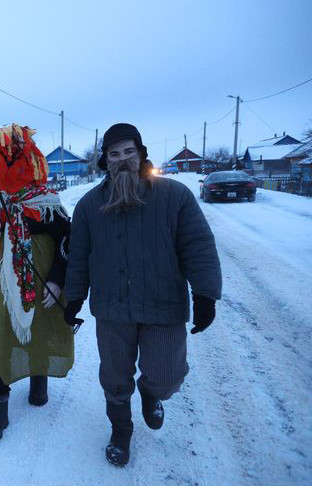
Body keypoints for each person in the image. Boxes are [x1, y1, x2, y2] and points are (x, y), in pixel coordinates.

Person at [64, 123, 222, 467]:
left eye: (128, 152)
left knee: (167, 375)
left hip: (163, 304)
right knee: (115, 378)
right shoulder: (89, 206)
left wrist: (206, 294)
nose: (122, 160)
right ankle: (121, 430)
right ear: (105, 161)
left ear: (141, 154)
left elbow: (197, 245)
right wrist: (73, 298)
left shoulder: (174, 196)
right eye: (114, 154)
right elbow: (78, 256)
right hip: (112, 308)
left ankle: (152, 393)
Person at [0, 124, 74, 441]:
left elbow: (68, 242)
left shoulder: (45, 202)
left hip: (38, 285)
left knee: (38, 328)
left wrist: (57, 281)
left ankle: (38, 375)